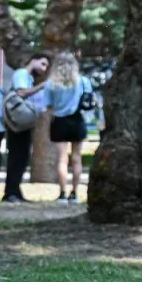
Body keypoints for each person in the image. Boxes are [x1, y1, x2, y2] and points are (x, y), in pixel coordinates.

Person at [2, 53, 49, 203]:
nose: (44, 68)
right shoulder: (22, 74)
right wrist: (42, 86)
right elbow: (21, 92)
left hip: (22, 124)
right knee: (17, 156)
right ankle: (11, 192)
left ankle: (15, 191)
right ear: (33, 60)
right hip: (17, 123)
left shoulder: (29, 77)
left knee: (22, 157)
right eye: (42, 64)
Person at [43, 51, 86, 204]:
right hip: (77, 120)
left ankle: (62, 193)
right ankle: (74, 194)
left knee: (62, 159)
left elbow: (47, 105)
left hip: (59, 121)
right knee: (76, 158)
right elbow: (88, 98)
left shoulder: (51, 83)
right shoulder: (82, 81)